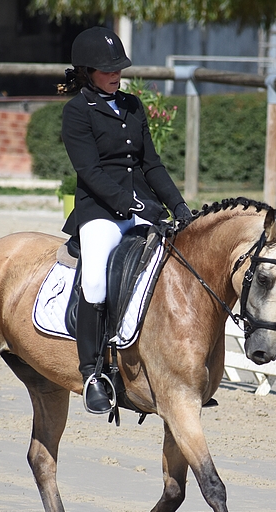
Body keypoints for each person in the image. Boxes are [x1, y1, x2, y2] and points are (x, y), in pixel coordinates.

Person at [59, 26, 192, 415]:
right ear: (86, 71)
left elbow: (151, 164)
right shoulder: (77, 112)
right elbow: (91, 173)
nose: (116, 74)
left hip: (141, 207)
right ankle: (92, 373)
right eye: (107, 69)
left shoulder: (133, 105)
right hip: (100, 211)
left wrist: (179, 206)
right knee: (97, 280)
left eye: (119, 68)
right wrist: (134, 206)